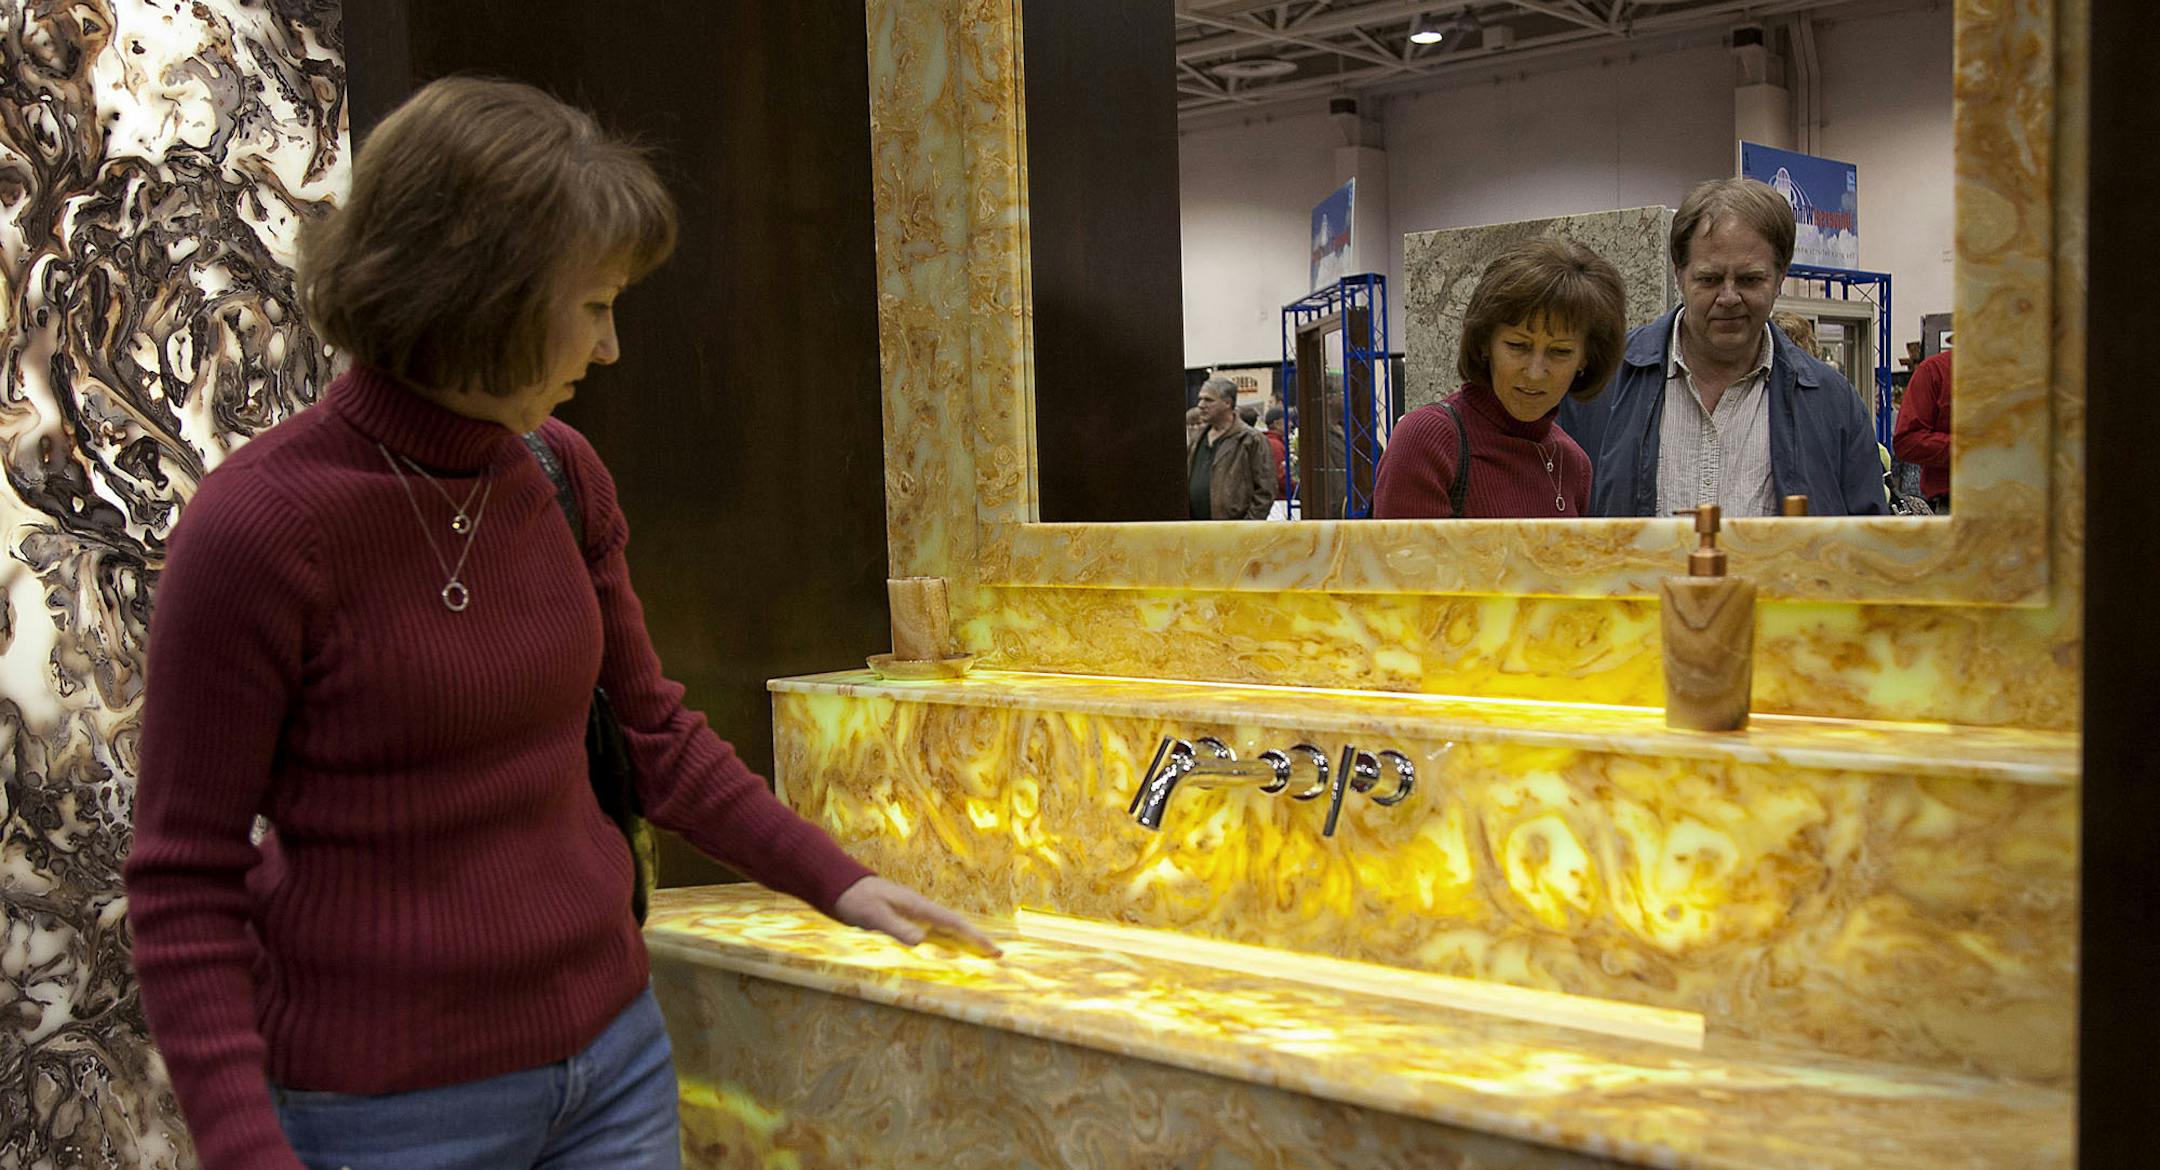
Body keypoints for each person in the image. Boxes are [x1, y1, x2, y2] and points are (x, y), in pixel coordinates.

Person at [122, 77, 996, 1170]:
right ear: (473, 298)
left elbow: (654, 739)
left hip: (612, 1067)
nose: (612, 347)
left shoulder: (557, 472)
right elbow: (182, 879)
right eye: (593, 307)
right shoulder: (258, 527)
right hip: (383, 1111)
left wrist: (837, 876)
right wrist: (247, 1151)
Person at [1559, 178, 1887, 516]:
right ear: (1679, 275)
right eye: (1709, 279)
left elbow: (1867, 547)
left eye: (1749, 279)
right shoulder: (1600, 384)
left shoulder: (1832, 404)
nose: (1728, 298)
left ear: (1780, 278)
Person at [1373, 238, 1624, 518]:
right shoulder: (1428, 440)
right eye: (1518, 346)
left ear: (1585, 360)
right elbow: (1399, 562)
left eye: (1560, 352)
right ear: (1484, 344)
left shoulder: (1575, 464)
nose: (1535, 372)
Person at [1187, 376, 1274, 519]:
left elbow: (1265, 491)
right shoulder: (1198, 439)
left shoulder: (1251, 440)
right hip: (1197, 531)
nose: (1201, 405)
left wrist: (1247, 528)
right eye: (1200, 399)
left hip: (1234, 532)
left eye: (1208, 400)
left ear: (1227, 402)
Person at [1893, 345, 1953, 512]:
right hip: (1957, 506)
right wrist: (1968, 447)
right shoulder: (1935, 371)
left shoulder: (2021, 373)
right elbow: (1906, 441)